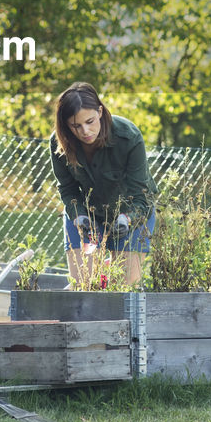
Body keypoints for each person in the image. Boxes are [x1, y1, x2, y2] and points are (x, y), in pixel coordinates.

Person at [49, 81, 157, 288]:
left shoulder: (128, 136)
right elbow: (68, 188)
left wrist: (127, 219)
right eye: (75, 126)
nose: (85, 131)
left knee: (123, 287)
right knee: (83, 283)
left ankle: (106, 272)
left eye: (90, 121)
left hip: (130, 213)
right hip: (87, 215)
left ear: (99, 111)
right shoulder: (59, 142)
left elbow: (141, 195)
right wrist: (78, 215)